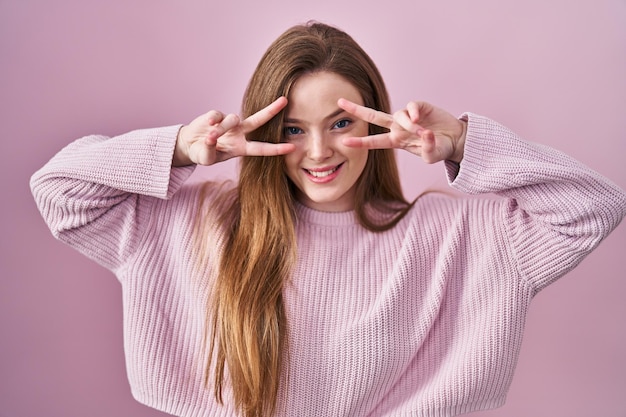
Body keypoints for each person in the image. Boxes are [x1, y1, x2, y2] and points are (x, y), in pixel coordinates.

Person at [30, 21, 625, 417]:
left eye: (340, 123)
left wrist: (465, 143)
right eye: (293, 130)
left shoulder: (453, 238)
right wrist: (180, 149)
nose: (318, 153)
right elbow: (59, 191)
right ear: (265, 132)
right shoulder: (197, 225)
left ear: (373, 123)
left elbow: (591, 208)